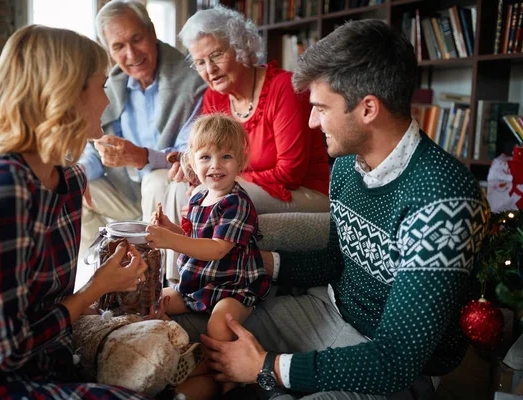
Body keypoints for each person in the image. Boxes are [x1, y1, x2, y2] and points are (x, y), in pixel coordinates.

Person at [172, 19, 490, 400]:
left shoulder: (444, 199)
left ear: (368, 108)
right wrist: (259, 261)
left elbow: (396, 359)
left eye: (321, 107)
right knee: (184, 328)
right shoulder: (346, 164)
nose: (311, 120)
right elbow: (337, 261)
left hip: (385, 364)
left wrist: (267, 367)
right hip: (326, 311)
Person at [0, 25, 150, 399]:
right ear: (66, 94)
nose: (107, 102)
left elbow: (47, 305)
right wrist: (96, 288)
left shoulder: (71, 179)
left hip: (53, 362)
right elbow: (1, 355)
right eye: (101, 86)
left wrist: (115, 296)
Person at [161, 5, 330, 283]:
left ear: (241, 48)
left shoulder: (284, 88)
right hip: (247, 182)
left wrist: (214, 185)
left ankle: (196, 283)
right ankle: (175, 283)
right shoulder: (214, 98)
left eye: (216, 55)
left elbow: (290, 173)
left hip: (302, 191)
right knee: (182, 188)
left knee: (207, 196)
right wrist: (190, 168)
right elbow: (208, 154)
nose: (209, 69)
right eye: (200, 62)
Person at [77, 0, 207, 286]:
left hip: (172, 186)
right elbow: (91, 146)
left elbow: (194, 152)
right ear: (108, 51)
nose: (131, 53)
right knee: (76, 184)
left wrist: (143, 158)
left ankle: (156, 282)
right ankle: (97, 281)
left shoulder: (191, 79)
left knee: (156, 180)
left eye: (137, 39)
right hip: (127, 192)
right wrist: (83, 171)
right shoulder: (109, 86)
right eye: (118, 46)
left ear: (152, 31)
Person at [146, 114, 271, 395]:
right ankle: (182, 353)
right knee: (156, 300)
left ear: (241, 160)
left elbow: (216, 248)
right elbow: (195, 238)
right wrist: (172, 230)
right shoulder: (196, 197)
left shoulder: (237, 202)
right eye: (205, 157)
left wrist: (170, 242)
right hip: (198, 284)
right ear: (191, 162)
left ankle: (228, 384)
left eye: (225, 156)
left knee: (219, 322)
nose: (215, 165)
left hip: (233, 287)